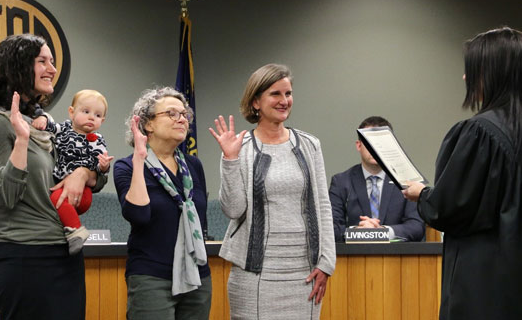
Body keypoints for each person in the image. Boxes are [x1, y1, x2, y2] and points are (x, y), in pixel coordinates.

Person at [0, 34, 107, 319]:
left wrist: (84, 173)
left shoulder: (39, 123)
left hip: (64, 255)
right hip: (25, 257)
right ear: (19, 66)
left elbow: (95, 172)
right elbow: (4, 197)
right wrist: (21, 142)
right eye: (42, 61)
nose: (52, 68)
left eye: (53, 61)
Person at [403, 27, 522, 319]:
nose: (465, 78)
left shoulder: (481, 132)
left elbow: (449, 208)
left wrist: (423, 196)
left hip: (485, 281)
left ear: (491, 73)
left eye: (471, 70)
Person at [209, 63, 336, 319]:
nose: (284, 101)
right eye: (275, 94)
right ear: (256, 102)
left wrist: (326, 262)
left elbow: (323, 204)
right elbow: (233, 209)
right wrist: (230, 160)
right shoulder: (241, 146)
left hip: (305, 273)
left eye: (288, 94)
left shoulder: (310, 145)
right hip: (254, 274)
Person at [113, 87, 211, 320]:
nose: (182, 119)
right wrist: (139, 160)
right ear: (148, 124)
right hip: (151, 277)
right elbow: (138, 215)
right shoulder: (126, 167)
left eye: (184, 114)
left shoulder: (193, 165)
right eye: (171, 113)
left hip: (197, 276)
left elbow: (201, 219)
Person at [32, 89, 114, 254]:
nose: (92, 117)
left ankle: (76, 231)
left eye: (98, 116)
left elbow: (98, 169)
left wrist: (103, 166)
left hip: (83, 192)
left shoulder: (97, 140)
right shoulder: (64, 129)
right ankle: (69, 230)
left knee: (57, 198)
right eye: (86, 112)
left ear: (102, 120)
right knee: (55, 199)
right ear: (71, 112)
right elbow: (51, 127)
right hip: (62, 184)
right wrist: (42, 119)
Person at [329, 116, 425, 242]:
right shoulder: (341, 182)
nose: (375, 148)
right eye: (369, 142)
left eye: (381, 143)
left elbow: (416, 227)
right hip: (353, 258)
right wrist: (358, 232)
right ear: (359, 146)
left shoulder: (409, 181)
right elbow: (331, 228)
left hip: (399, 258)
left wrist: (383, 231)